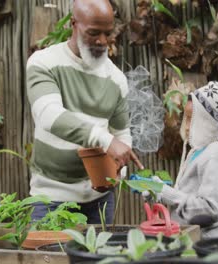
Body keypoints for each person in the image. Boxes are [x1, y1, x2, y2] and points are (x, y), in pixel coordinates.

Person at [26, 0, 143, 224]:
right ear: (73, 24)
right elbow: (49, 115)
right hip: (51, 198)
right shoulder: (43, 62)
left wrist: (119, 165)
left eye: (107, 34)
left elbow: (121, 134)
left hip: (100, 199)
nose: (102, 41)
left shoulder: (116, 79)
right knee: (47, 259)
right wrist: (106, 141)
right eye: (93, 33)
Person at [146, 78, 218, 238]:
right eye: (185, 118)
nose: (186, 126)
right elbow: (189, 196)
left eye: (191, 119)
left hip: (208, 244)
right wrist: (159, 190)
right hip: (193, 238)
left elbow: (210, 209)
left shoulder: (214, 156)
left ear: (209, 122)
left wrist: (169, 195)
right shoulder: (198, 151)